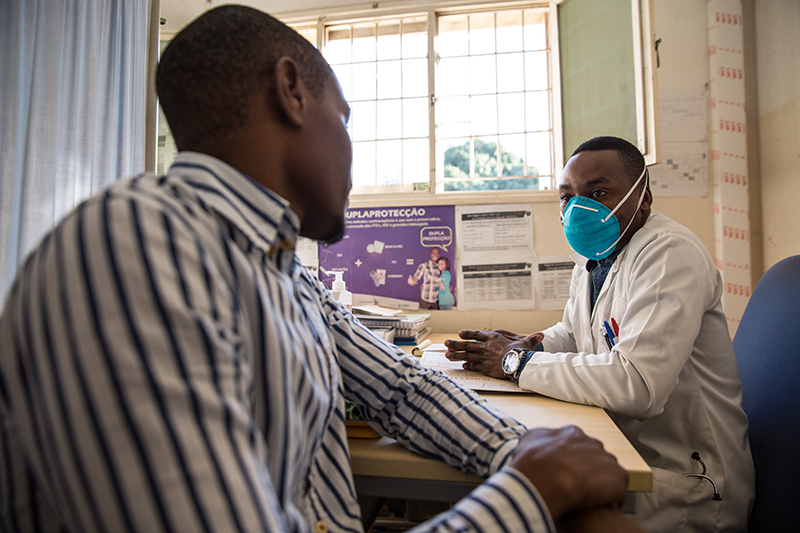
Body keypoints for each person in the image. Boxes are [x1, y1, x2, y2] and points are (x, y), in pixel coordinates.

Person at [0, 8, 642, 532]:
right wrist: (531, 495)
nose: (352, 156)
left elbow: (402, 391)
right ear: (291, 91)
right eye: (345, 118)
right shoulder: (133, 250)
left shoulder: (282, 273)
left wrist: (523, 450)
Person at [446, 136, 756, 532]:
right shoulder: (596, 257)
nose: (578, 208)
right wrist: (527, 344)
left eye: (598, 192)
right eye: (566, 196)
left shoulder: (669, 254)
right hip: (628, 452)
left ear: (642, 197)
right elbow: (576, 334)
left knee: (525, 499)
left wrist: (516, 364)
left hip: (687, 482)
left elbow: (637, 385)